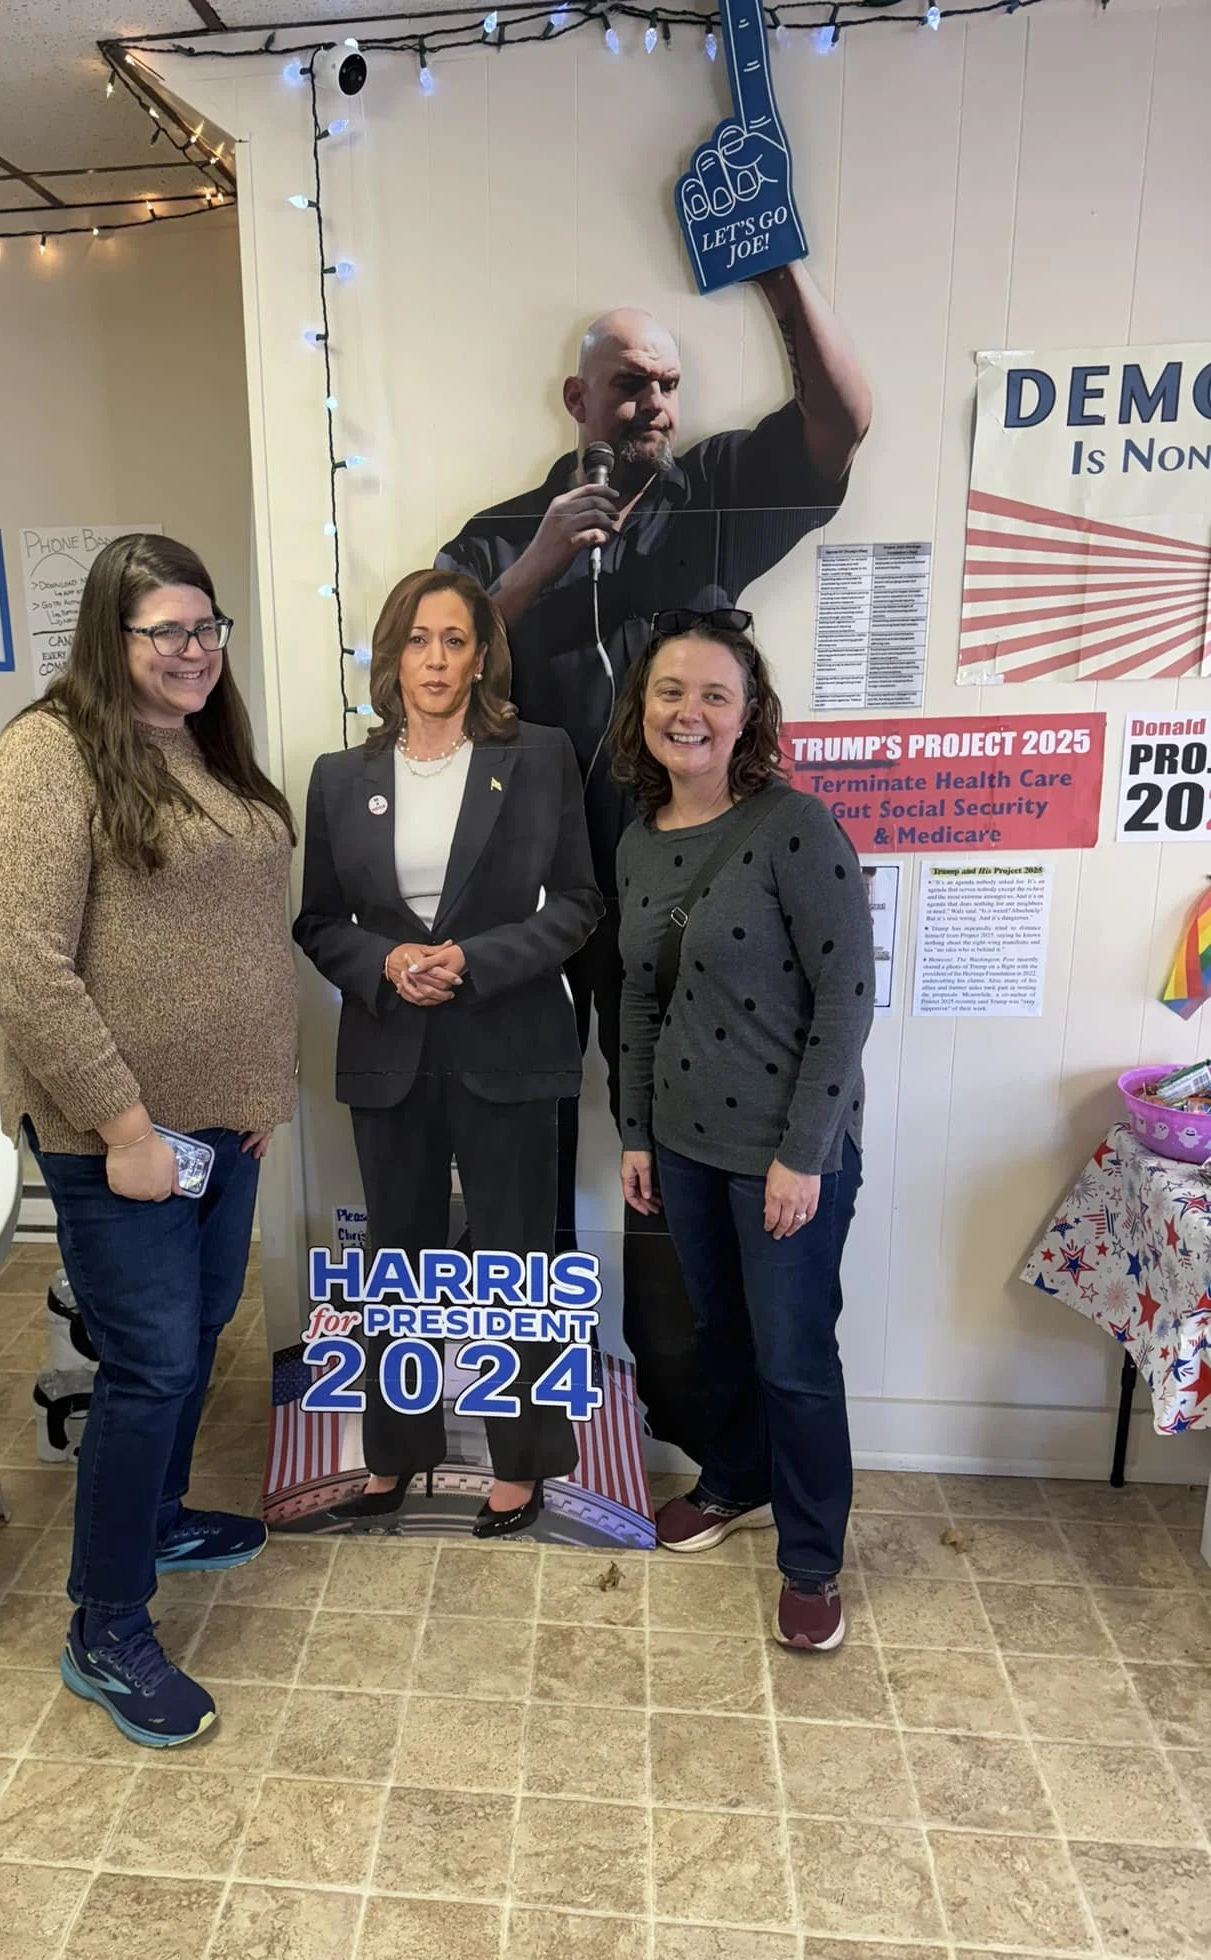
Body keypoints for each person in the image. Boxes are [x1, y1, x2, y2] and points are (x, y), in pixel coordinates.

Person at [436, 270, 871, 1431]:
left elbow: (843, 423)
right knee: (515, 1148)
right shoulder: (489, 539)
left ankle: (691, 1428)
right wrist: (530, 568)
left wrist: (777, 272)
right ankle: (514, 1415)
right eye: (631, 384)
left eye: (670, 384)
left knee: (667, 1163)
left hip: (681, 901)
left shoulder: (716, 494)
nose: (656, 405)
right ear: (576, 396)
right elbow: (425, 686)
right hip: (522, 908)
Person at [0, 532, 297, 1745]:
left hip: (222, 1128)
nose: (194, 650)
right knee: (151, 1364)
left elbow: (241, 940)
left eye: (206, 627)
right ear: (111, 637)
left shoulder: (206, 746)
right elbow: (22, 962)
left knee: (200, 1333)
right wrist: (126, 1124)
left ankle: (153, 1515)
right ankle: (105, 1621)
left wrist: (259, 1089)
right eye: (167, 631)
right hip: (124, 1138)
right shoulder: (48, 754)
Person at [294, 569, 602, 1537]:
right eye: (419, 639)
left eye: (455, 640)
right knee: (397, 1259)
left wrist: (473, 959)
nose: (435, 659)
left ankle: (526, 1460)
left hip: (508, 1040)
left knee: (518, 1259)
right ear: (391, 656)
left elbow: (580, 905)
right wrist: (388, 959)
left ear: (481, 655)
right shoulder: (340, 777)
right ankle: (395, 1454)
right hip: (390, 1044)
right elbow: (316, 919)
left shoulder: (539, 756)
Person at [610, 608, 874, 1652]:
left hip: (784, 1156)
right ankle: (732, 1482)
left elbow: (847, 998)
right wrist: (637, 1132)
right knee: (716, 1335)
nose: (691, 712)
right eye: (672, 690)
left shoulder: (794, 827)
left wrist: (803, 1154)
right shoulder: (636, 841)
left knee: (795, 1355)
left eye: (716, 694)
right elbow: (636, 997)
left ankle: (812, 1560)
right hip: (681, 1145)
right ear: (642, 711)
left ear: (749, 714)